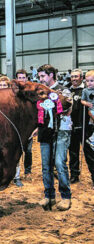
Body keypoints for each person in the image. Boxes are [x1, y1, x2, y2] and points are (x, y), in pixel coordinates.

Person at [37, 64, 72, 211]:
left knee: (59, 163)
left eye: (43, 76)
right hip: (45, 131)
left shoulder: (63, 90)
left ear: (51, 75)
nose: (40, 79)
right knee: (46, 166)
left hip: (61, 130)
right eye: (39, 77)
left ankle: (65, 196)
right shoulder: (39, 92)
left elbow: (68, 109)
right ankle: (49, 196)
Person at [16, 69, 34, 181]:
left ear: (26, 78)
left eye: (23, 77)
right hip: (17, 126)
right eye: (19, 78)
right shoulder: (13, 92)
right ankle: (15, 173)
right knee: (17, 150)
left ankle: (28, 171)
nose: (22, 80)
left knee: (28, 150)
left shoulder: (31, 92)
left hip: (28, 126)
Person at [80, 70, 94, 188]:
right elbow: (82, 101)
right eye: (87, 81)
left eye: (92, 81)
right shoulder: (85, 91)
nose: (89, 83)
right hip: (90, 111)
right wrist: (86, 104)